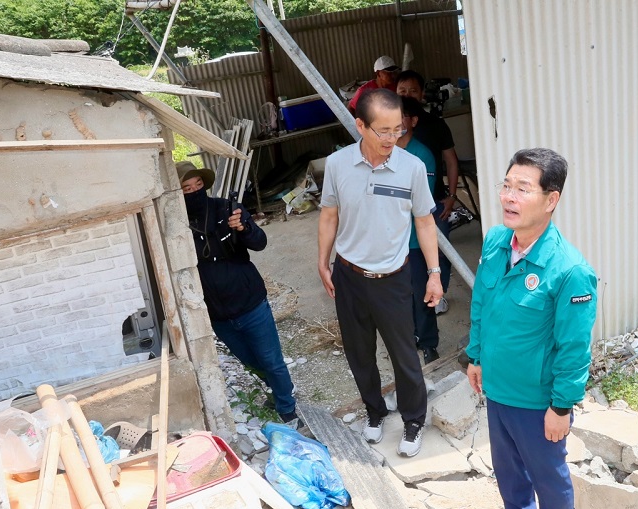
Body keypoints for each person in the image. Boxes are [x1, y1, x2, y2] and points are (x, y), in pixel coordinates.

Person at [466, 148, 597, 509]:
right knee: (505, 465)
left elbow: (574, 348)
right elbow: (482, 301)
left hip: (537, 399)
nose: (509, 196)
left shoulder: (570, 270)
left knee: (547, 471)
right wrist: (476, 356)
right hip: (497, 387)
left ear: (550, 199)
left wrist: (562, 406)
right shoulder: (496, 241)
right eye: (507, 185)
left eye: (523, 188)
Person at [318, 89, 443, 458]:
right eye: (383, 131)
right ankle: (374, 412)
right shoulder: (338, 165)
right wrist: (322, 262)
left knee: (405, 355)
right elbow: (328, 215)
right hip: (350, 276)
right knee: (359, 353)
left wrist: (434, 273)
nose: (392, 139)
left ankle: (414, 420)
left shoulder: (412, 168)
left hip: (393, 278)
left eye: (397, 130)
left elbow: (424, 221)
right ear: (361, 126)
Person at [176, 161, 301, 427]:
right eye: (187, 188)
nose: (194, 191)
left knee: (271, 360)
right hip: (218, 313)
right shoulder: (177, 224)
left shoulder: (225, 208)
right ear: (178, 193)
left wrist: (244, 227)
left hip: (250, 302)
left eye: (198, 185)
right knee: (250, 361)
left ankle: (287, 408)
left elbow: (260, 243)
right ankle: (278, 391)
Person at [396, 69, 460, 315]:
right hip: (402, 206)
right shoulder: (391, 129)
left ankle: (439, 293)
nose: (408, 94)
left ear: (422, 93)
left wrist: (452, 196)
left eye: (413, 90)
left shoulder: (435, 125)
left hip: (433, 203)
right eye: (402, 91)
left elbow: (451, 160)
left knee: (440, 252)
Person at [396, 96, 441, 365]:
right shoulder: (383, 152)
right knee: (398, 295)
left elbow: (423, 205)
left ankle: (428, 343)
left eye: (400, 116)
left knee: (421, 291)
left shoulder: (421, 155)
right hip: (391, 240)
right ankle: (407, 338)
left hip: (414, 240)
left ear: (412, 121)